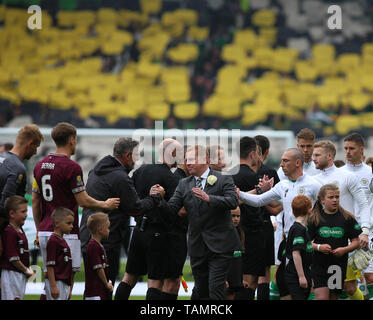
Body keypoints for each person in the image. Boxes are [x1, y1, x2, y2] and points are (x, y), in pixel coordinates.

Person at [32, 122, 120, 297]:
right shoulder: (72, 167)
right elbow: (83, 200)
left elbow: (35, 201)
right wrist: (105, 204)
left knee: (50, 283)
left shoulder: (39, 165)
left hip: (44, 231)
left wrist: (39, 228)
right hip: (66, 231)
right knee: (64, 283)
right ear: (72, 140)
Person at [157, 145, 240, 300]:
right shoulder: (184, 183)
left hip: (221, 246)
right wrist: (159, 199)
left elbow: (233, 201)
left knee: (216, 289)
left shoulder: (223, 178)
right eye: (186, 159)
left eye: (193, 159)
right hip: (197, 246)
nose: (188, 163)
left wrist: (210, 198)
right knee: (201, 291)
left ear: (207, 160)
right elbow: (172, 209)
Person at [238, 148, 322, 299]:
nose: (281, 164)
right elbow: (259, 201)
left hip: (308, 242)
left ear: (297, 163)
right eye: (282, 160)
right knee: (285, 284)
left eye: (285, 161)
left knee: (306, 284)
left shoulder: (314, 184)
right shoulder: (283, 185)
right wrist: (239, 194)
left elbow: (323, 210)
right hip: (288, 241)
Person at [80, 137, 160, 289]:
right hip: (107, 240)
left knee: (92, 288)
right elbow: (135, 208)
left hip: (87, 237)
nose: (137, 160)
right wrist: (155, 198)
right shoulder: (119, 177)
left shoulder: (96, 170)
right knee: (105, 287)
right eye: (136, 156)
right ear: (128, 156)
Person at [114, 138, 182, 300]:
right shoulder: (171, 179)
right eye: (178, 154)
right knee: (155, 281)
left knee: (129, 278)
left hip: (138, 231)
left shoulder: (140, 170)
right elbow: (173, 212)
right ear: (171, 153)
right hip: (158, 234)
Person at [273, 128, 320, 299]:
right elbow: (279, 199)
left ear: (314, 146)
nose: (306, 150)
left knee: (313, 275)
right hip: (286, 228)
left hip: (311, 228)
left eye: (309, 146)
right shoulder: (283, 170)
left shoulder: (318, 168)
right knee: (281, 273)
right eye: (302, 146)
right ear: (297, 145)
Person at [230, 137, 269, 300]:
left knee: (234, 279)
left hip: (232, 233)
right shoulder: (254, 177)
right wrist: (263, 191)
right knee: (249, 281)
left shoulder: (228, 174)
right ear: (253, 154)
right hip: (251, 233)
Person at [307, 184, 361, 300]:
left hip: (337, 267)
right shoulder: (314, 218)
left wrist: (345, 249)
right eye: (331, 197)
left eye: (337, 197)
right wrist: (319, 247)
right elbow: (306, 243)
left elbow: (356, 241)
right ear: (322, 200)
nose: (335, 200)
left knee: (333, 298)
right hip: (319, 265)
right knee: (321, 297)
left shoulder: (347, 218)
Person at [340, 133, 373, 299]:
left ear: (361, 149)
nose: (347, 152)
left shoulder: (370, 173)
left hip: (369, 233)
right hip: (347, 234)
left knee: (370, 277)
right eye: (345, 148)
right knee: (348, 285)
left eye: (351, 148)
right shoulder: (339, 174)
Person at [254, 135, 282, 300]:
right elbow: (279, 206)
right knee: (264, 272)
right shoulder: (270, 173)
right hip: (264, 226)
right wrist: (267, 206)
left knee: (243, 272)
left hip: (240, 227)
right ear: (268, 152)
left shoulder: (236, 172)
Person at [0, 124, 43, 207]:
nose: (35, 152)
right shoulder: (17, 167)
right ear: (30, 144)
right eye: (36, 147)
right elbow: (6, 204)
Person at [0, 196, 33, 300]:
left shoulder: (19, 230)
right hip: (11, 274)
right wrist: (26, 270)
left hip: (19, 274)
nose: (26, 214)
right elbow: (13, 257)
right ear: (12, 214)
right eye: (23, 212)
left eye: (26, 211)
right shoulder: (9, 231)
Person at [284, 195, 313, 300]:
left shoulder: (303, 228)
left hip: (304, 271)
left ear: (293, 211)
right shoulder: (298, 229)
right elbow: (296, 253)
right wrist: (301, 276)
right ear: (309, 210)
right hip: (295, 274)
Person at [45, 207, 74, 300]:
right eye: (68, 223)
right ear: (57, 223)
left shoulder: (62, 240)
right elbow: (50, 265)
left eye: (72, 223)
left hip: (64, 282)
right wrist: (53, 286)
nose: (72, 226)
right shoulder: (53, 240)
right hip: (57, 282)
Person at [84, 212, 113, 300]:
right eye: (108, 228)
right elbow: (98, 268)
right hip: (95, 292)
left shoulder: (97, 245)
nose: (109, 230)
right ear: (100, 230)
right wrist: (106, 283)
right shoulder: (93, 246)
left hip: (99, 291)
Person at [226, 207, 246, 300]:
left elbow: (238, 259)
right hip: (225, 278)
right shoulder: (223, 234)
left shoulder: (240, 233)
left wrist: (240, 279)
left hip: (235, 278)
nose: (236, 219)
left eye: (238, 216)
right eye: (233, 216)